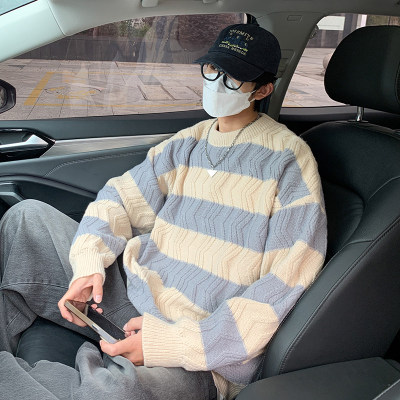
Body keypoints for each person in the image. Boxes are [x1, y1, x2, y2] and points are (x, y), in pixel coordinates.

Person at [0, 23, 327, 400]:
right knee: (27, 220)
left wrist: (167, 343)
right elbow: (119, 199)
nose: (217, 83)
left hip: (200, 348)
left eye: (233, 77)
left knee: (113, 393)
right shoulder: (186, 143)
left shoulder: (289, 162)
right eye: (212, 69)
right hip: (132, 295)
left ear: (263, 90)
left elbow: (281, 286)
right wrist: (89, 266)